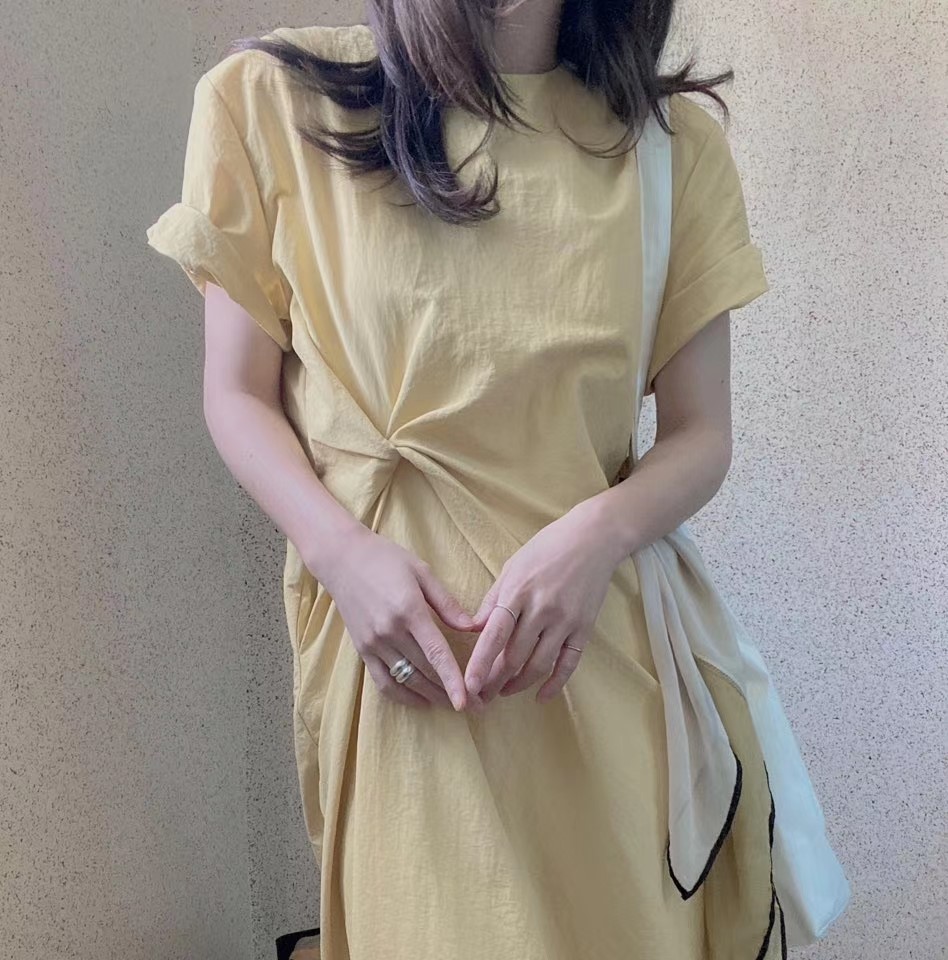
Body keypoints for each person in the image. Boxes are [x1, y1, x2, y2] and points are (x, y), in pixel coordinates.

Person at [146, 3, 783, 957]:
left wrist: (598, 536)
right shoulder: (275, 101)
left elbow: (702, 436)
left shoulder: (669, 146)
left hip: (594, 671)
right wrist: (340, 554)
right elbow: (237, 394)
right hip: (405, 686)